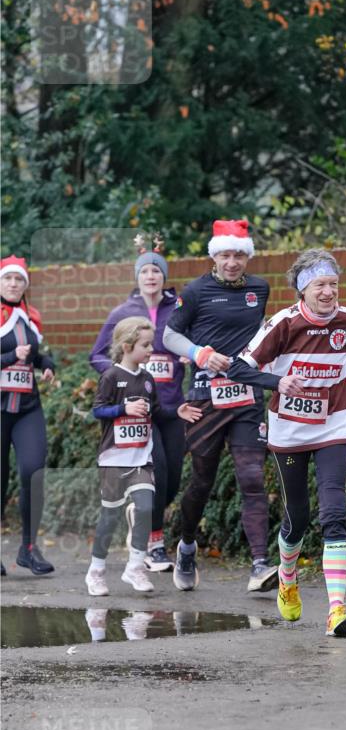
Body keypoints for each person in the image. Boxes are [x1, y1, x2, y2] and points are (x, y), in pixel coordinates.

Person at [228, 248, 346, 637]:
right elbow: (238, 367)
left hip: (334, 422)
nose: (329, 292)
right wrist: (278, 382)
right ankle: (287, 577)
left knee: (334, 511)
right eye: (320, 285)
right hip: (289, 428)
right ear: (303, 290)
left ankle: (336, 610)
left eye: (334, 284)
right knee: (298, 516)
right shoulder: (283, 324)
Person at [163, 219, 278, 593]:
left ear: (247, 257)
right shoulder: (196, 291)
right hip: (205, 399)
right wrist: (199, 353)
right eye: (225, 255)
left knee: (252, 478)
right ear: (214, 256)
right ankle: (186, 547)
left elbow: (259, 332)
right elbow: (169, 334)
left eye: (239, 256)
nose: (232, 262)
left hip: (246, 397)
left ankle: (259, 564)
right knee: (202, 481)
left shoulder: (259, 289)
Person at [89, 234, 185, 572]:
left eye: (156, 271)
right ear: (137, 276)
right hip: (137, 411)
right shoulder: (123, 312)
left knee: (173, 478)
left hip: (171, 405)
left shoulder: (179, 310)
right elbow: (97, 355)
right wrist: (123, 374)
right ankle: (154, 544)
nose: (150, 276)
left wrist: (190, 356)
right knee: (157, 472)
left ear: (164, 276)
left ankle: (141, 520)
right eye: (144, 271)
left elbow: (194, 344)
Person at [85, 317, 198, 597]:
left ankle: (135, 567)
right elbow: (97, 410)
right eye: (145, 345)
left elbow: (156, 412)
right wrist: (123, 409)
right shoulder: (111, 376)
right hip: (115, 459)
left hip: (141, 458)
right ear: (127, 346)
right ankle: (96, 571)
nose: (151, 350)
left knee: (146, 509)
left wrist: (176, 413)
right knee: (110, 516)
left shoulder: (147, 379)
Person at [1, 255, 56, 576]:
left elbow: (37, 354)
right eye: (7, 278)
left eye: (19, 279)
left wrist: (47, 364)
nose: (13, 284)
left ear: (25, 284)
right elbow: (15, 354)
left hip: (27, 407)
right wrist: (10, 355)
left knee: (33, 471)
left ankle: (29, 549)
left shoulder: (31, 316)